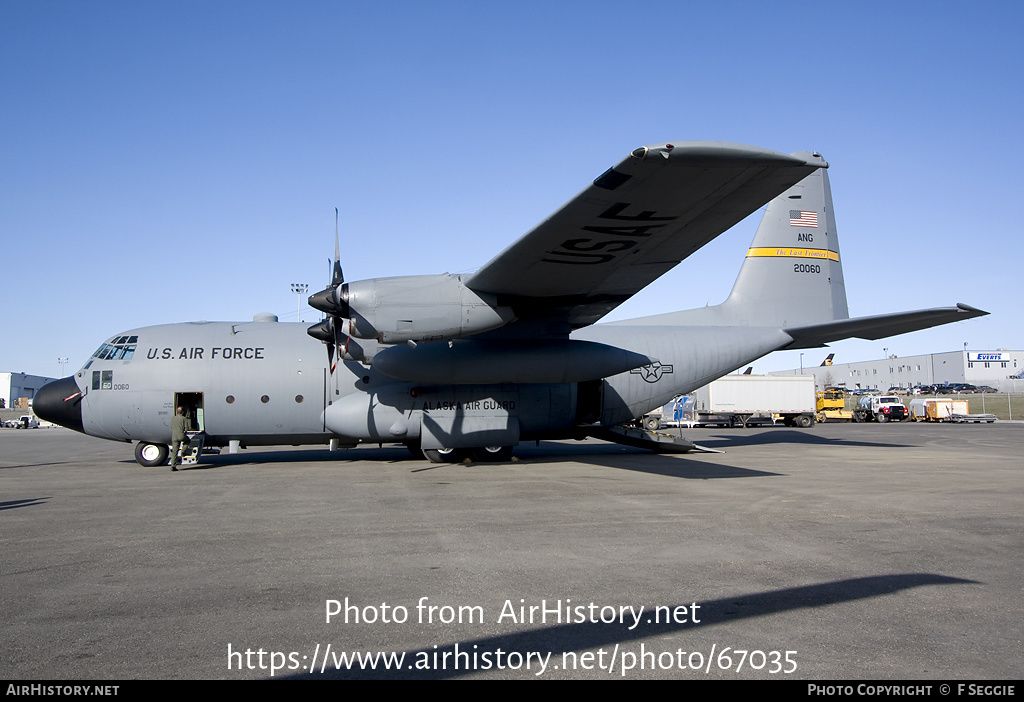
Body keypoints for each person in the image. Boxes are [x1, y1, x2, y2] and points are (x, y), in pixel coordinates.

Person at [169, 406, 190, 471]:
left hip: (174, 436)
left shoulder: (173, 418)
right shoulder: (184, 419)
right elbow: (186, 428)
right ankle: (183, 452)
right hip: (181, 435)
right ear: (183, 412)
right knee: (187, 441)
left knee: (174, 452)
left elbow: (171, 427)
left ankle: (173, 466)